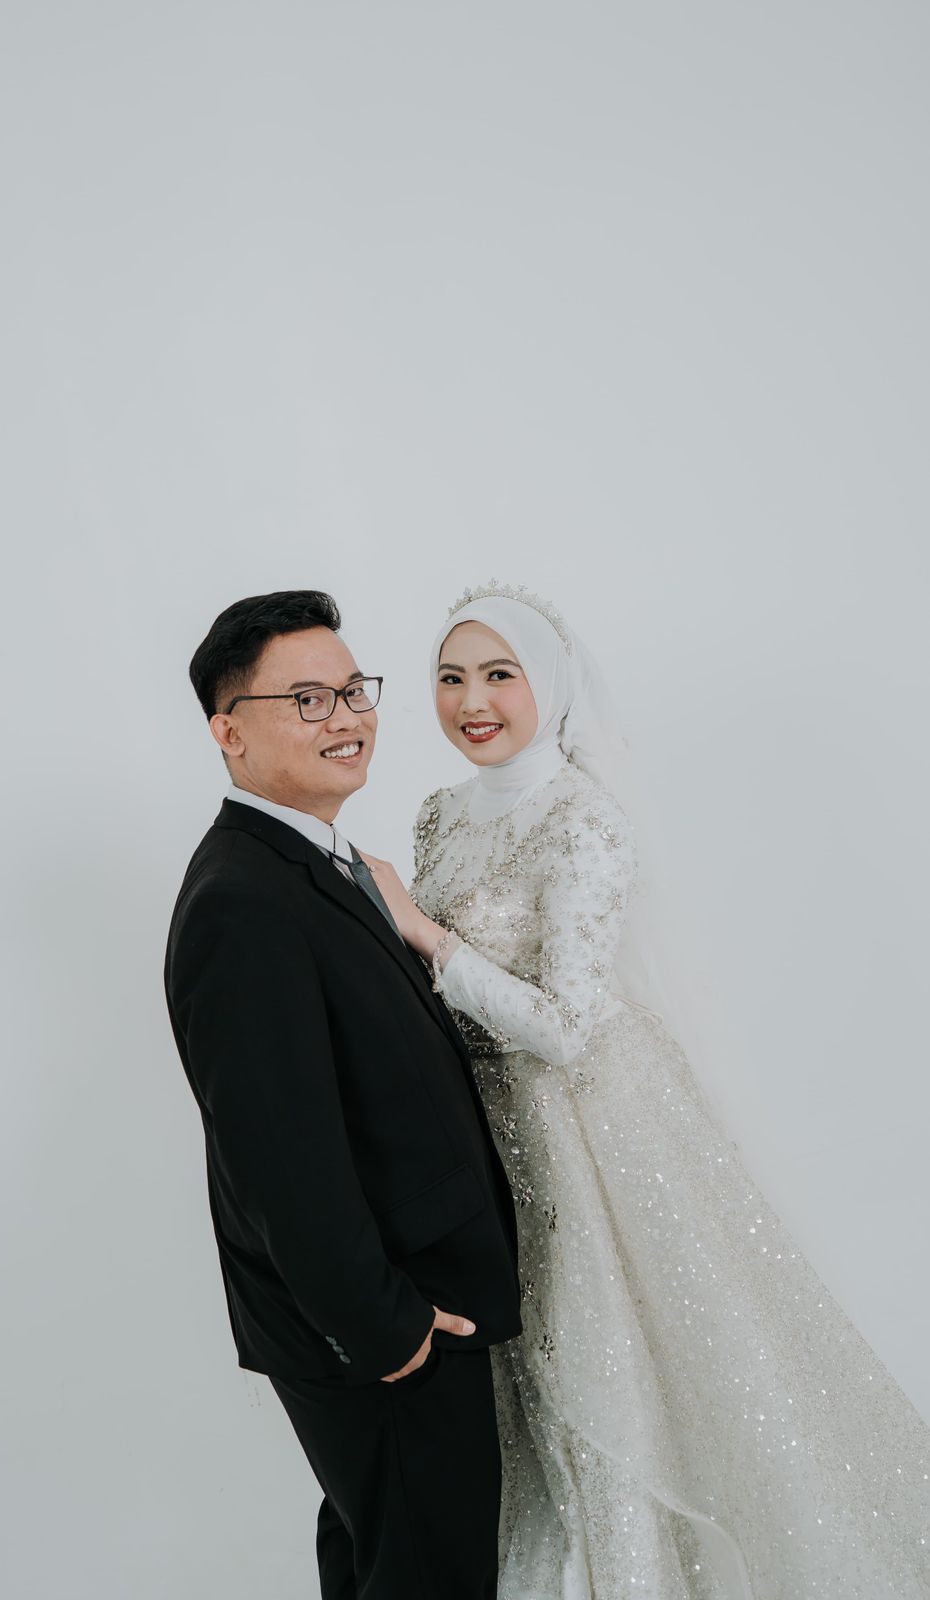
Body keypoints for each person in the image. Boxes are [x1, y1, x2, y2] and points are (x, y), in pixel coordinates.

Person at [359, 580, 930, 1599]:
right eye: (450, 678)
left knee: (605, 1371)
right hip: (480, 1132)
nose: (471, 701)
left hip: (582, 1133)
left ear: (551, 685)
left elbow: (568, 1027)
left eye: (499, 675)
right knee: (515, 1393)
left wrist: (424, 934)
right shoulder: (439, 813)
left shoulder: (584, 819)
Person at [163, 588, 523, 1599]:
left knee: (385, 1561)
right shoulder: (241, 901)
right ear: (229, 733)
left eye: (354, 690)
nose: (348, 717)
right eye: (308, 699)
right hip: (386, 1329)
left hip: (408, 1307)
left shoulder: (320, 864)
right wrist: (385, 1330)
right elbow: (281, 1159)